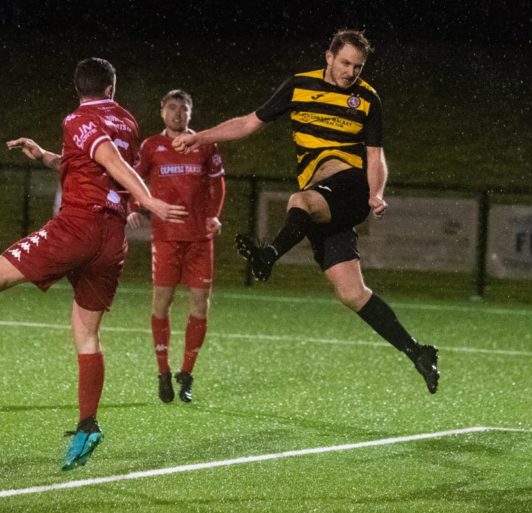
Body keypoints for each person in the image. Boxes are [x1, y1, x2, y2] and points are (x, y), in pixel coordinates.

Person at [172, 29, 440, 393]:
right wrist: (200, 136)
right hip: (324, 201)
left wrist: (376, 193)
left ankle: (268, 255)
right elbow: (249, 123)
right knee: (351, 293)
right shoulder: (299, 87)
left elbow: (375, 155)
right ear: (328, 56)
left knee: (300, 201)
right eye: (345, 63)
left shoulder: (367, 99)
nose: (351, 72)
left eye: (358, 67)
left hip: (350, 187)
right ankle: (418, 352)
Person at [3, 58, 186, 470]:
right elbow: (92, 164)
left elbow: (110, 163)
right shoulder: (127, 121)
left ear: (77, 87)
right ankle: (88, 425)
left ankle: (89, 425)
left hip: (78, 227)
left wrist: (152, 200)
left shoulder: (76, 119)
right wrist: (49, 155)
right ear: (112, 86)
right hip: (111, 239)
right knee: (86, 334)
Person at [128, 89, 226, 404]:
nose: (177, 114)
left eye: (183, 109)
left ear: (190, 112)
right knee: (161, 304)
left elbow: (218, 183)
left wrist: (214, 215)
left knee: (200, 307)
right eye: (172, 108)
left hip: (200, 239)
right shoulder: (152, 147)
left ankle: (186, 373)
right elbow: (134, 179)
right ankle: (162, 372)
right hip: (166, 239)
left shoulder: (205, 144)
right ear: (162, 111)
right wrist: (133, 207)